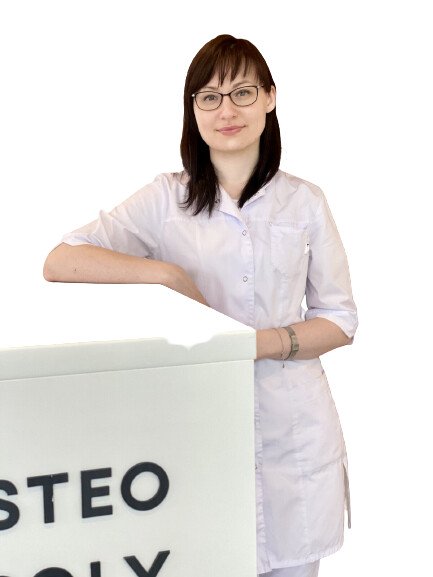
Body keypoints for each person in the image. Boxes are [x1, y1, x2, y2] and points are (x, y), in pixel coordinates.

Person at [44, 34, 358, 577]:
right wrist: (165, 274)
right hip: (197, 417)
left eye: (242, 92)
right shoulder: (166, 198)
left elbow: (340, 319)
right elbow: (61, 260)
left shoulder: (305, 201)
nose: (226, 111)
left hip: (293, 427)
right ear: (193, 110)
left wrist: (256, 345)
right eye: (209, 97)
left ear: (270, 98)